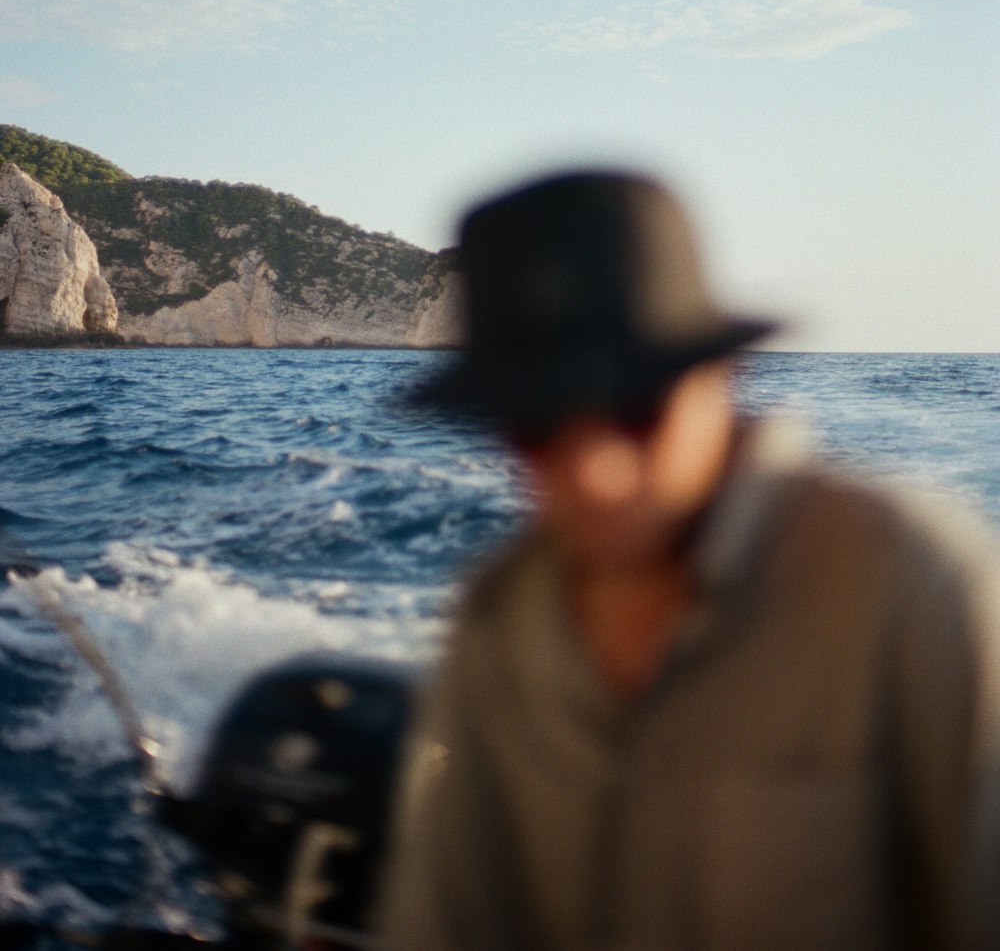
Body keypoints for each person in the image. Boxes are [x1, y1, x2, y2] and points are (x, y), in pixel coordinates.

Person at [377, 169, 1000, 951]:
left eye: (637, 410)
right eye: (538, 423)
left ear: (722, 374)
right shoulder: (495, 619)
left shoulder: (916, 584)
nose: (596, 471)